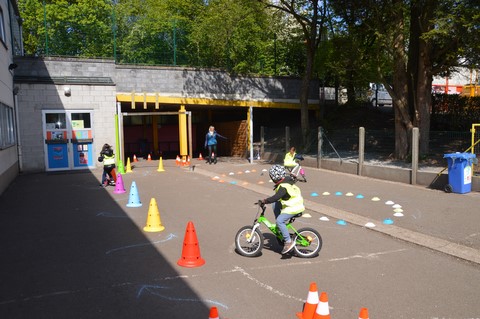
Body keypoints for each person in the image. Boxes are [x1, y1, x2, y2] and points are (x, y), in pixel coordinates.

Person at [259, 164, 305, 254]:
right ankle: (280, 229)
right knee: (275, 205)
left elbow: (276, 197)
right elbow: (291, 179)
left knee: (280, 220)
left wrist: (265, 201)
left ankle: (288, 242)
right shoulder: (286, 181)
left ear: (274, 177)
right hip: (293, 205)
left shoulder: (283, 186)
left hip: (294, 207)